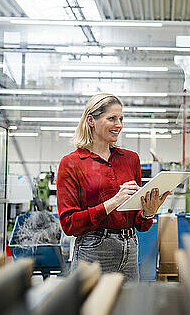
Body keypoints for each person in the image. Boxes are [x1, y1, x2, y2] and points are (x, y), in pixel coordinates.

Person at [56, 93, 170, 281]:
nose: (119, 125)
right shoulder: (72, 163)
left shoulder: (130, 159)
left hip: (130, 247)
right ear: (91, 121)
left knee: (128, 308)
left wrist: (148, 212)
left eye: (121, 119)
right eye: (112, 118)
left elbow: (140, 223)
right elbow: (69, 224)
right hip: (93, 249)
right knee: (92, 308)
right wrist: (114, 201)